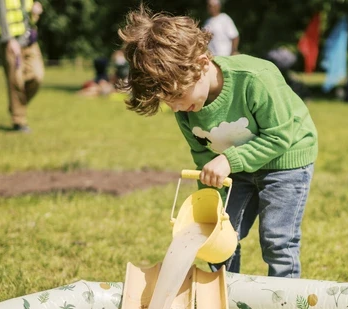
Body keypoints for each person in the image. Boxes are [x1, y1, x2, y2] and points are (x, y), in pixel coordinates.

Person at [118, 8, 318, 278]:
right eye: (168, 102)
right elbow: (203, 155)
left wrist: (228, 161)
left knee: (277, 240)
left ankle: (285, 308)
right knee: (220, 236)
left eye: (177, 95)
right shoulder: (187, 107)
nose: (176, 108)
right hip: (235, 169)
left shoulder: (255, 78)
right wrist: (211, 202)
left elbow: (279, 136)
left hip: (285, 161)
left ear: (201, 63)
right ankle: (224, 301)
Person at [0, 0, 44, 132]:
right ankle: (19, 121)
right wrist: (9, 40)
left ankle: (16, 105)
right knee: (16, 81)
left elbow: (27, 16)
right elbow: (2, 14)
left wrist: (35, 12)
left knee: (37, 76)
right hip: (11, 43)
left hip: (29, 41)